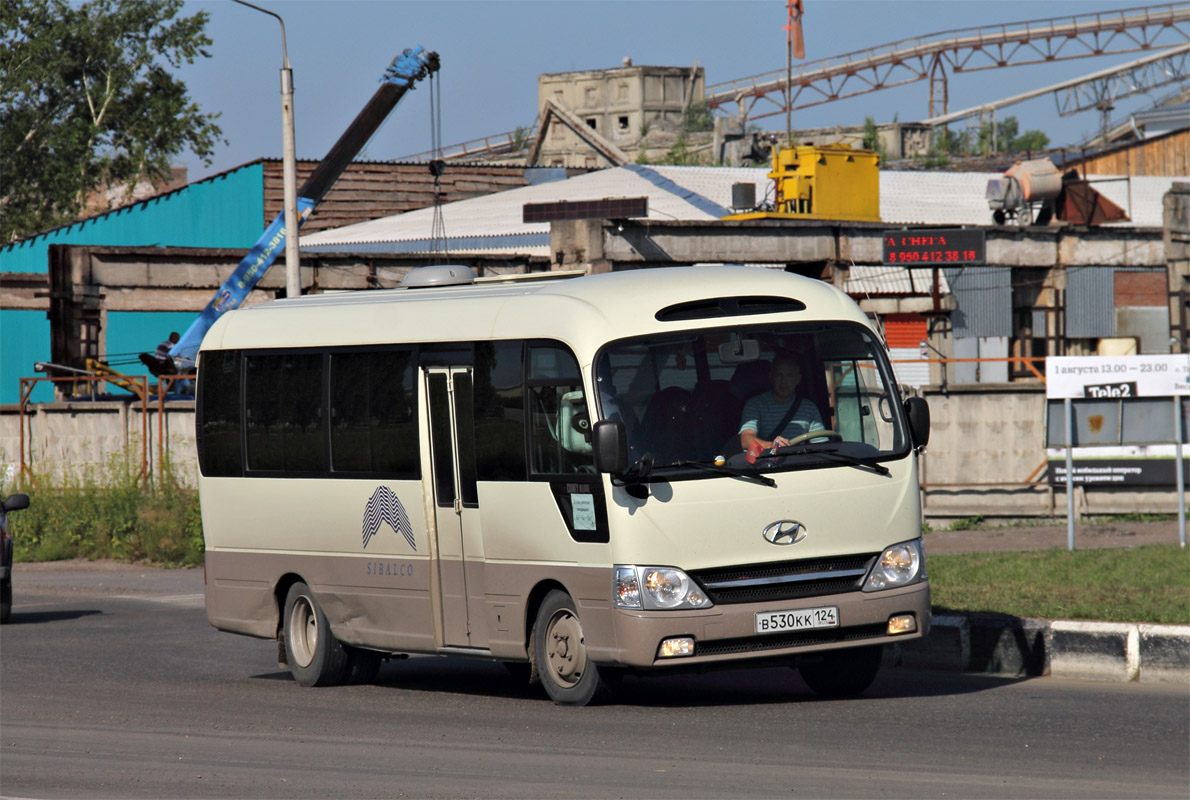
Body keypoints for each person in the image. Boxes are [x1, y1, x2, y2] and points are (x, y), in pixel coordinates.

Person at [738, 350, 824, 453]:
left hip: (801, 465)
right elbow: (746, 440)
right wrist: (772, 446)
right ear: (771, 376)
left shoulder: (809, 408)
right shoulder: (755, 404)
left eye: (789, 375)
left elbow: (821, 445)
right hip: (764, 465)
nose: (783, 381)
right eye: (779, 375)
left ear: (798, 379)